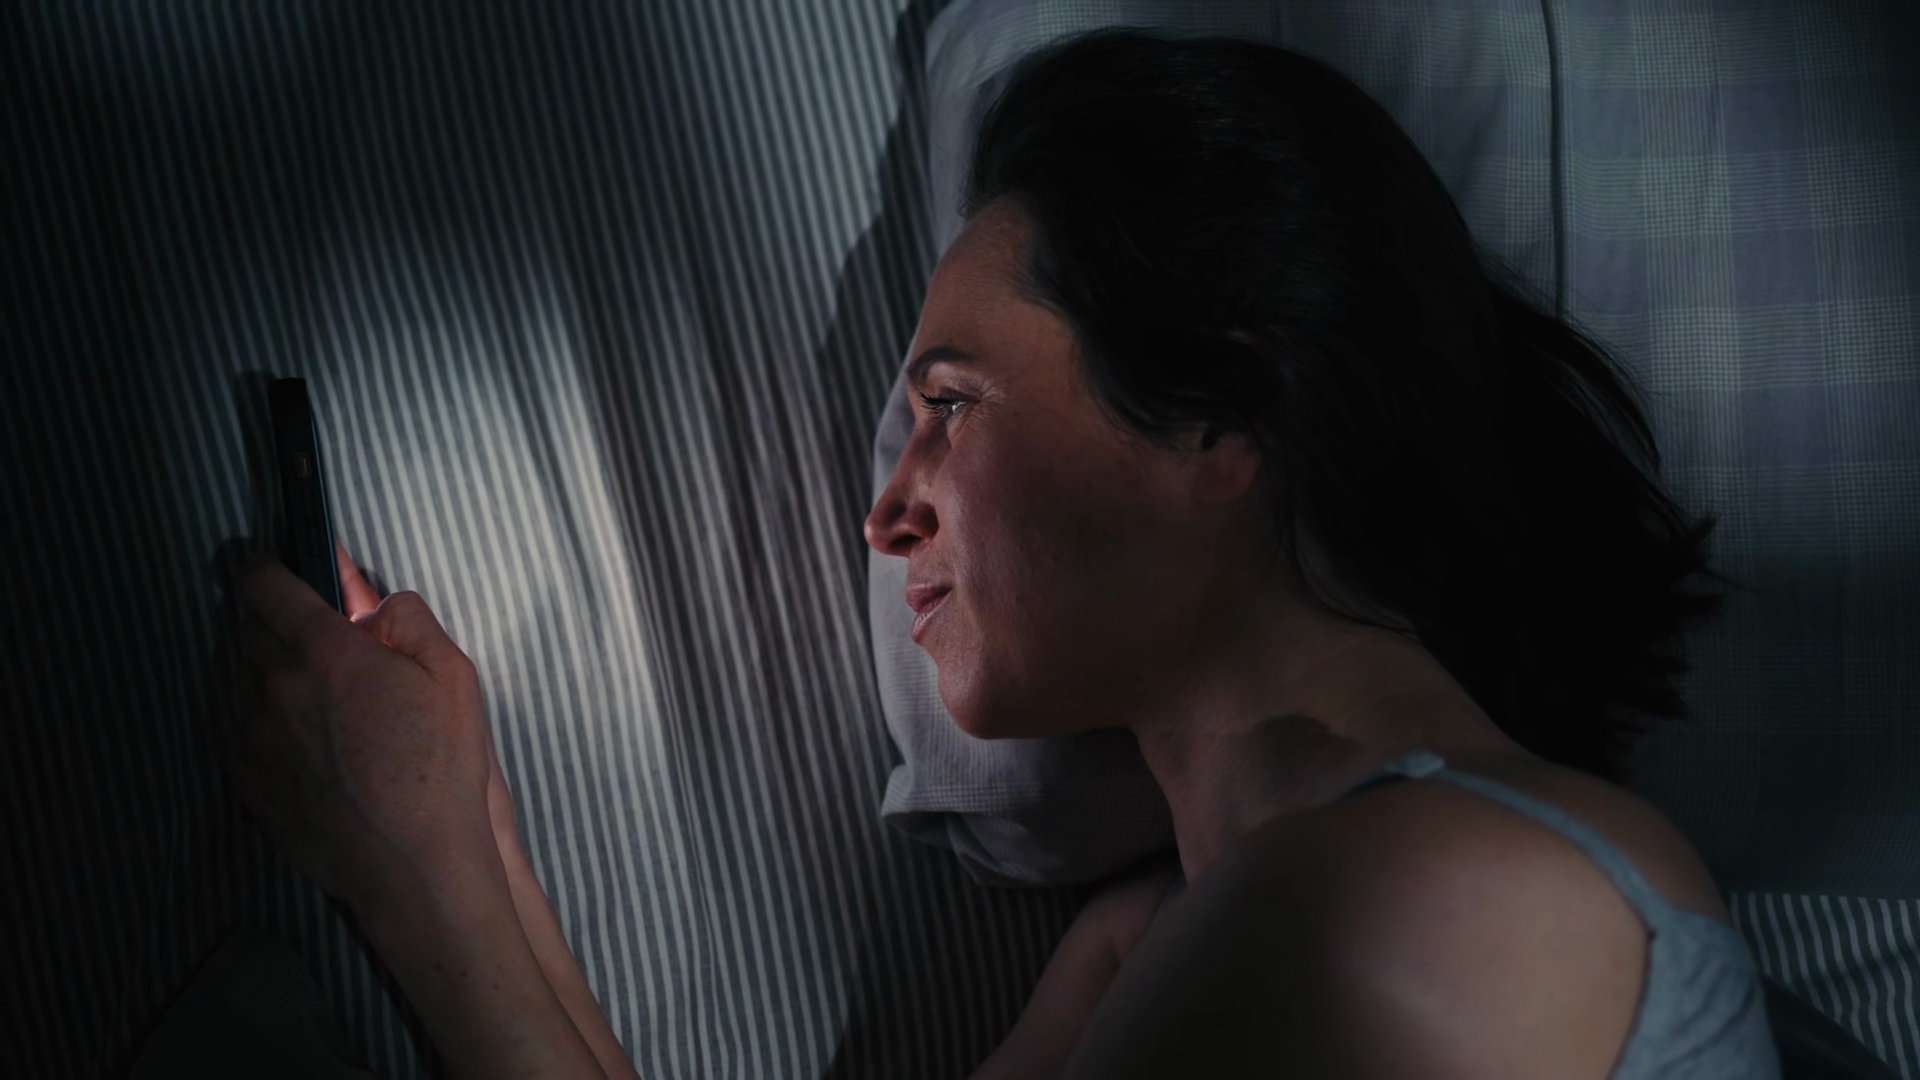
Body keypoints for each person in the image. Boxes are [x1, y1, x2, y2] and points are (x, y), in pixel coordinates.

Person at [228, 28, 1780, 1080]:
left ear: (1222, 419)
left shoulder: (1409, 912)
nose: (884, 512)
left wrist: (424, 887)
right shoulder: (1161, 941)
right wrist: (470, 834)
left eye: (953, 405)